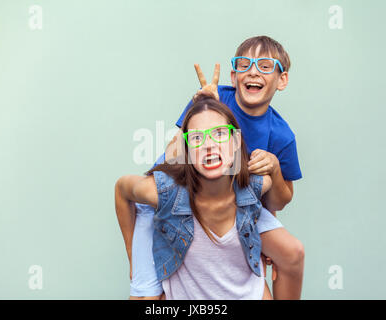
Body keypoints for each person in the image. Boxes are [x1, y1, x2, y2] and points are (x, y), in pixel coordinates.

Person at [126, 35, 304, 299]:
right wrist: (201, 108)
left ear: (282, 80)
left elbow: (279, 200)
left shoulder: (281, 135)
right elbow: (175, 155)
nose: (253, 70)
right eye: (244, 64)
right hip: (182, 191)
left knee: (292, 251)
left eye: (265, 66)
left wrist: (275, 169)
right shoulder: (214, 102)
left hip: (239, 200)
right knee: (147, 293)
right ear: (233, 77)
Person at [116, 95, 281, 299]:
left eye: (219, 134)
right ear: (186, 151)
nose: (209, 145)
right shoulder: (165, 192)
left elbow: (276, 203)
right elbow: (122, 189)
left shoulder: (256, 185)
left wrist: (263, 246)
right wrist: (133, 255)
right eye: (196, 138)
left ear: (236, 140)